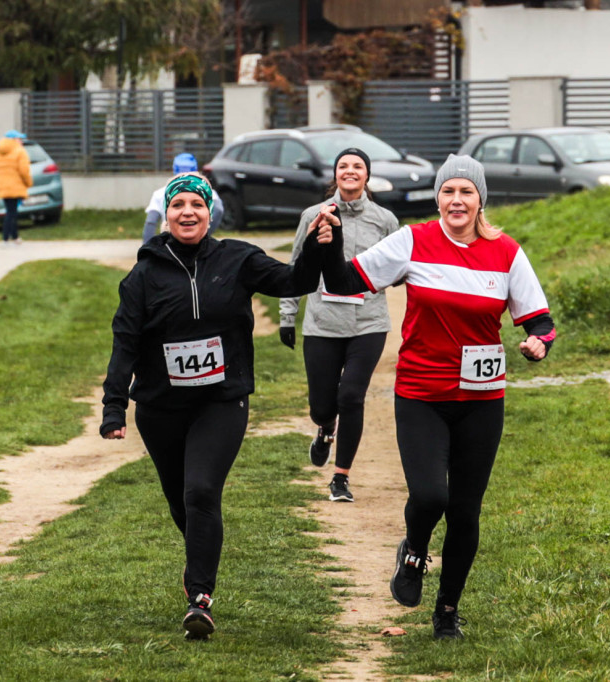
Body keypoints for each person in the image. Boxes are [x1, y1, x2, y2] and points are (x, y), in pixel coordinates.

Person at [313, 154, 557, 640]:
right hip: (422, 393)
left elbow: (540, 322)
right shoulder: (414, 241)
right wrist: (330, 244)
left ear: (480, 199)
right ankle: (413, 551)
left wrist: (537, 344)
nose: (457, 200)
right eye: (448, 192)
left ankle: (447, 611)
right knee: (430, 495)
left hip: (482, 399)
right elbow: (345, 282)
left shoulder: (506, 252)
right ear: (437, 199)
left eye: (466, 192)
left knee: (466, 510)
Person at [100, 173, 332, 640]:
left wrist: (317, 245)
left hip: (222, 401)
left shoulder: (238, 258)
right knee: (181, 502)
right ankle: (198, 563)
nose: (188, 212)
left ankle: (199, 599)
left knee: (201, 490)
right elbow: (124, 344)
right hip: (161, 408)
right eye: (179, 205)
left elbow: (294, 280)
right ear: (166, 214)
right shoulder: (143, 275)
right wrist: (113, 407)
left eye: (197, 205)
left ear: (211, 212)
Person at [278, 148, 399, 503]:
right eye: (343, 166)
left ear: (367, 175)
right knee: (322, 405)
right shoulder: (313, 216)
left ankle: (341, 477)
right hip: (322, 324)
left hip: (369, 324)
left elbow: (400, 263)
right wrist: (288, 315)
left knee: (351, 397)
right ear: (335, 175)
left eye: (358, 166)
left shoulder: (385, 219)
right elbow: (296, 266)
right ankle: (325, 428)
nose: (350, 171)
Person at [143, 154, 223, 242]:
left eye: (197, 204)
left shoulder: (160, 193)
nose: (187, 212)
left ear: (174, 169)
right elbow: (218, 209)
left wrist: (148, 248)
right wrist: (203, 233)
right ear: (196, 169)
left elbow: (151, 221)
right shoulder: (207, 191)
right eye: (177, 205)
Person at [0, 129, 33, 245]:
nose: (21, 141)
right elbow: (24, 171)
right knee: (11, 213)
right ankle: (5, 237)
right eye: (19, 139)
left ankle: (15, 237)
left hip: (3, 187)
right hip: (16, 187)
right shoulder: (20, 152)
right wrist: (28, 183)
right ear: (14, 140)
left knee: (11, 211)